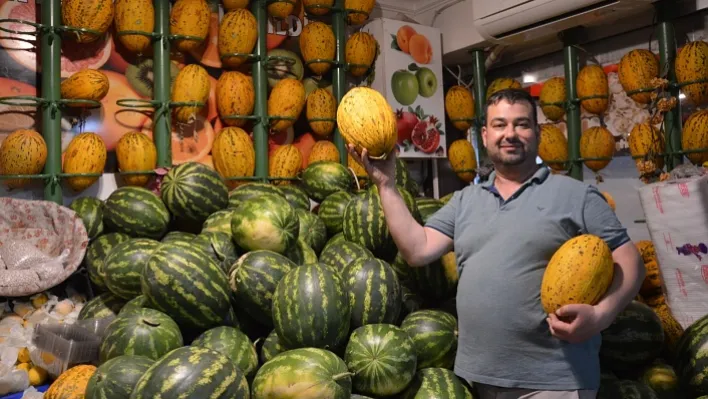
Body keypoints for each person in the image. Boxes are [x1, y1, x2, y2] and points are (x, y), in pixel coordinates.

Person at [348, 88, 645, 399]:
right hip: (479, 381)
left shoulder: (576, 195)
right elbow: (416, 250)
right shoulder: (465, 201)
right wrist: (386, 184)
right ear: (486, 135)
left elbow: (630, 263)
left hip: (555, 381)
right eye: (500, 125)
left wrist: (603, 315)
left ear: (537, 133)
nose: (511, 134)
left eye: (522, 124)